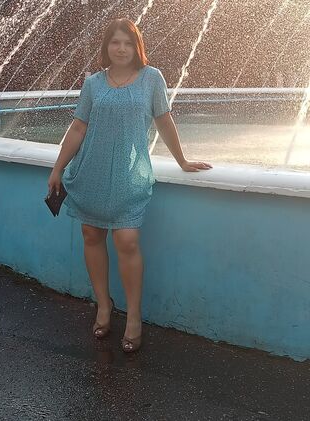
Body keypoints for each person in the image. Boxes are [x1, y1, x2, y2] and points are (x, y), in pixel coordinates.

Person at [48, 18, 212, 353]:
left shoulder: (152, 78)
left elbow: (163, 119)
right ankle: (103, 305)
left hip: (128, 174)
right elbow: (78, 127)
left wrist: (182, 160)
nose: (121, 49)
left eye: (127, 43)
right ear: (106, 46)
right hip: (91, 170)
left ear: (136, 47)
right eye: (115, 42)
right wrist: (58, 168)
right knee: (91, 235)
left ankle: (134, 316)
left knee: (127, 240)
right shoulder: (93, 83)